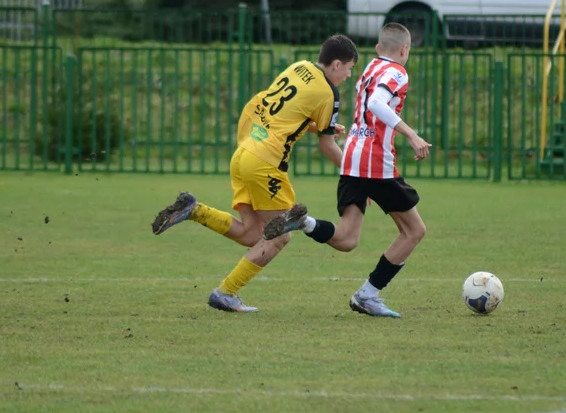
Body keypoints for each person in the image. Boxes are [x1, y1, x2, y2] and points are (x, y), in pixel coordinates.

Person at [151, 35, 360, 312]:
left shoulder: (299, 67)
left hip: (245, 153)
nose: (348, 75)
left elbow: (283, 112)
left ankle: (195, 210)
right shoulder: (329, 93)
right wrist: (358, 176)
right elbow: (327, 145)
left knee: (252, 234)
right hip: (265, 163)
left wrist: (317, 127)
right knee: (281, 235)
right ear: (336, 64)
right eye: (348, 69)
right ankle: (226, 292)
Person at [263, 23, 432, 318]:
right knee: (414, 230)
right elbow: (378, 103)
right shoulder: (397, 72)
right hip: (376, 162)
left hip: (352, 157)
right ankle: (368, 295)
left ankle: (305, 222)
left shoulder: (371, 67)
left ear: (379, 48)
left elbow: (367, 98)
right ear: (405, 50)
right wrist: (411, 134)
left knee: (347, 239)